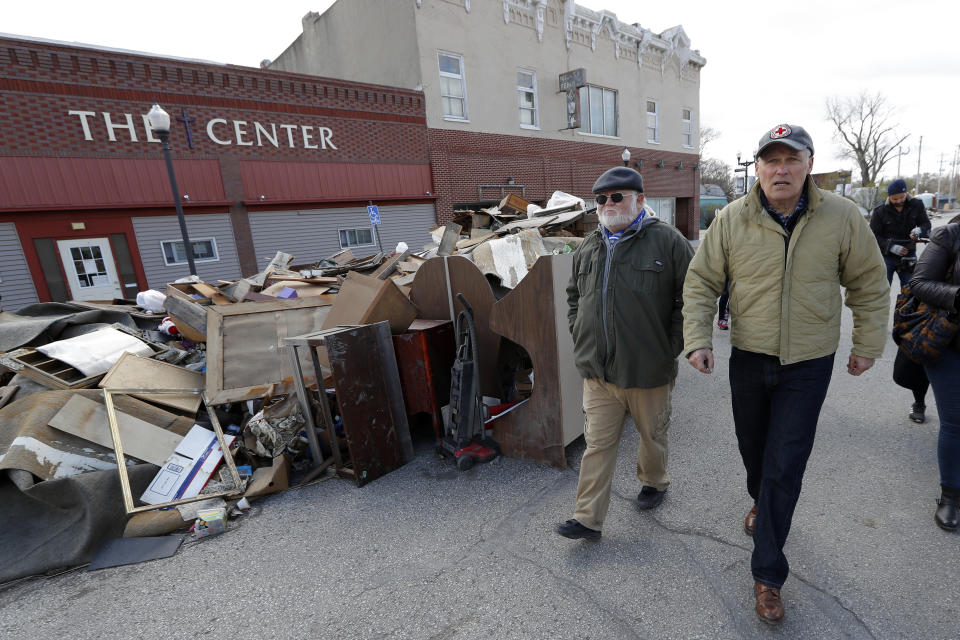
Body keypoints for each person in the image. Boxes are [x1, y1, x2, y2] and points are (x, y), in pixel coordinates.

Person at [682, 124, 889, 623]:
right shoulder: (732, 219)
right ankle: (762, 502)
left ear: (809, 165)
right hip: (750, 358)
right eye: (770, 160)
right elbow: (701, 282)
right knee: (755, 453)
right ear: (757, 168)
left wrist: (866, 345)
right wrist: (698, 340)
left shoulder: (842, 218)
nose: (781, 169)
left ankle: (768, 574)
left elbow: (869, 283)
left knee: (785, 464)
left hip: (808, 364)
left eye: (791, 159)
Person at [556, 166, 693, 541]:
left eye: (618, 197)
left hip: (649, 369)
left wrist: (672, 346)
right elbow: (574, 299)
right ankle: (588, 518)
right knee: (597, 445)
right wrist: (580, 333)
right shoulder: (588, 247)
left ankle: (655, 481)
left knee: (652, 435)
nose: (609, 204)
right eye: (601, 199)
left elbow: (692, 298)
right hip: (598, 372)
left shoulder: (668, 241)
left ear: (640, 200)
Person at [908, 214, 960, 531]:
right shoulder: (949, 235)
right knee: (956, 422)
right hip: (951, 343)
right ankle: (951, 495)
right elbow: (919, 282)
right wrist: (956, 296)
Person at [870, 178, 931, 289]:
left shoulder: (916, 205)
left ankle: (905, 307)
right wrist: (890, 247)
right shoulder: (880, 211)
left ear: (906, 193)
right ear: (889, 197)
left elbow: (926, 224)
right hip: (886, 257)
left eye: (901, 197)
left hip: (909, 255)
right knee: (881, 291)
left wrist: (919, 231)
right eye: (895, 199)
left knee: (911, 290)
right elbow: (873, 236)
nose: (898, 201)